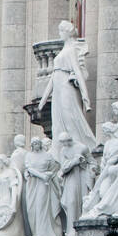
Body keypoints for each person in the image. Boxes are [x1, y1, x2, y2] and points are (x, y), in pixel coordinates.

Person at [38, 20, 97, 151]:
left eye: (61, 31)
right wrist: (43, 100)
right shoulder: (65, 49)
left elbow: (77, 71)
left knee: (70, 117)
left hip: (66, 87)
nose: (59, 34)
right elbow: (53, 77)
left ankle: (77, 147)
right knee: (58, 122)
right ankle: (60, 149)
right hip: (58, 88)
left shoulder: (71, 50)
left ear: (67, 32)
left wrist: (85, 97)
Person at [83, 122, 118, 216]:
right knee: (102, 191)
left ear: (108, 131)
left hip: (116, 170)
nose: (104, 133)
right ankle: (107, 207)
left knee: (107, 191)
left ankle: (116, 208)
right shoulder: (107, 143)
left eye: (104, 130)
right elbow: (105, 160)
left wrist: (111, 164)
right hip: (107, 170)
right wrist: (102, 168)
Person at [23, 137, 64, 236]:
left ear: (40, 144)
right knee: (31, 209)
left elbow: (55, 169)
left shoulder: (48, 156)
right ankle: (36, 234)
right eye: (34, 143)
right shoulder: (29, 155)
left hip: (44, 185)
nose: (35, 145)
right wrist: (42, 176)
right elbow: (29, 169)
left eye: (37, 143)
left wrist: (49, 174)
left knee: (41, 207)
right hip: (33, 184)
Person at [54, 132, 93, 236]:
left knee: (82, 202)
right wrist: (74, 161)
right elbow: (64, 167)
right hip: (70, 178)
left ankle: (83, 229)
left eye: (64, 142)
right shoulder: (63, 150)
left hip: (82, 177)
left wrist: (90, 167)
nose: (63, 144)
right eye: (62, 142)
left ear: (69, 139)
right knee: (71, 201)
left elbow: (92, 162)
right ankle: (71, 230)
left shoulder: (82, 148)